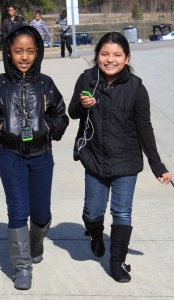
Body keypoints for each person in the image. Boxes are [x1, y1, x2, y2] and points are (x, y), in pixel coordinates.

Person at [68, 32, 172, 283]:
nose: (110, 59)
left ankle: (117, 263)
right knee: (92, 213)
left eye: (117, 55)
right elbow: (72, 112)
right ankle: (95, 234)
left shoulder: (136, 87)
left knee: (122, 213)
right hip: (94, 157)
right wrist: (83, 105)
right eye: (104, 54)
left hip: (126, 160)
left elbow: (144, 128)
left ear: (127, 57)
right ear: (97, 56)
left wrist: (158, 166)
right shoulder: (87, 78)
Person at [0, 25, 69, 290]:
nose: (24, 57)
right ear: (9, 52)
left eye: (30, 51)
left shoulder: (46, 84)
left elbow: (61, 116)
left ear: (37, 52)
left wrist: (48, 127)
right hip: (10, 155)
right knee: (18, 211)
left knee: (41, 214)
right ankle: (22, 267)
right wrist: (2, 126)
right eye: (19, 51)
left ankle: (36, 240)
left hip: (42, 155)